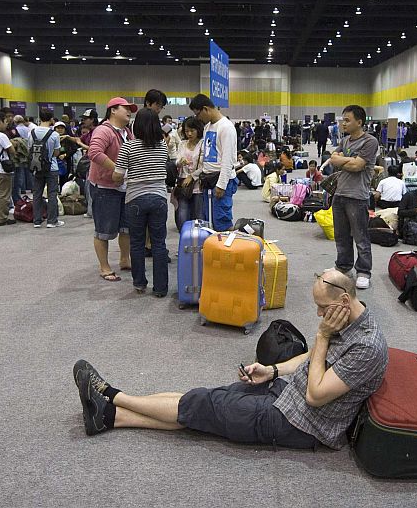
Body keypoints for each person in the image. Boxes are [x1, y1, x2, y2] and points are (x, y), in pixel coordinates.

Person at [71, 269, 388, 449]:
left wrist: (321, 336)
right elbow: (312, 360)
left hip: (302, 422)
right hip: (286, 392)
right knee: (207, 400)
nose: (319, 314)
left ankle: (110, 395)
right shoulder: (345, 320)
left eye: (322, 307)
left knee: (202, 404)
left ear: (344, 300)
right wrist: (273, 370)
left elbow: (317, 396)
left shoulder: (367, 347)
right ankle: (110, 417)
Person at [112, 108, 170, 296]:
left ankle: (139, 283)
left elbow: (117, 176)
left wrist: (118, 176)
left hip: (135, 198)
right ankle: (161, 288)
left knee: (136, 242)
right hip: (159, 198)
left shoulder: (128, 147)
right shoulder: (162, 146)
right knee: (159, 243)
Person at [328, 105, 380, 290]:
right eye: (343, 119)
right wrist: (346, 162)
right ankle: (343, 266)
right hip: (340, 194)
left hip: (357, 197)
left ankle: (364, 271)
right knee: (341, 236)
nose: (343, 123)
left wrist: (342, 161)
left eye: (347, 120)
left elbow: (358, 166)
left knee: (361, 237)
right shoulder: (345, 141)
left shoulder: (370, 142)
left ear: (360, 122)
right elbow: (333, 159)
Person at [89, 98, 137, 281]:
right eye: (125, 108)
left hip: (124, 187)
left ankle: (125, 259)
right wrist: (117, 169)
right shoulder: (103, 130)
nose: (129, 111)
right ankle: (104, 266)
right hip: (104, 187)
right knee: (104, 229)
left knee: (126, 227)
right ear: (113, 110)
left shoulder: (127, 132)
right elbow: (94, 153)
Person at [188, 94, 238, 232]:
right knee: (207, 220)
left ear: (205, 109)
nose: (198, 119)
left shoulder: (226, 127)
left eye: (198, 114)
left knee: (222, 220)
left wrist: (221, 185)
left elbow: (228, 160)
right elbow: (207, 155)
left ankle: (226, 250)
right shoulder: (207, 127)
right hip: (208, 179)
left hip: (222, 180)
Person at [29, 110, 64, 229]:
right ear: (51, 119)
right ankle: (52, 221)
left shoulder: (32, 132)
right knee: (52, 194)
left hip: (36, 166)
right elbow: (56, 152)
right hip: (51, 167)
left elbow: (30, 148)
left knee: (37, 193)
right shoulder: (54, 134)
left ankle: (37, 220)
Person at [172, 117, 204, 231]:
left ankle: (199, 243)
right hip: (183, 184)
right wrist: (180, 162)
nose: (189, 133)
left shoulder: (203, 144)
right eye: (186, 131)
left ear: (198, 130)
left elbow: (205, 165)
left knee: (199, 216)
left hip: (198, 185)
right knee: (182, 216)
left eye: (192, 130)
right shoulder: (182, 144)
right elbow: (176, 161)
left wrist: (192, 176)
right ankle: (185, 240)